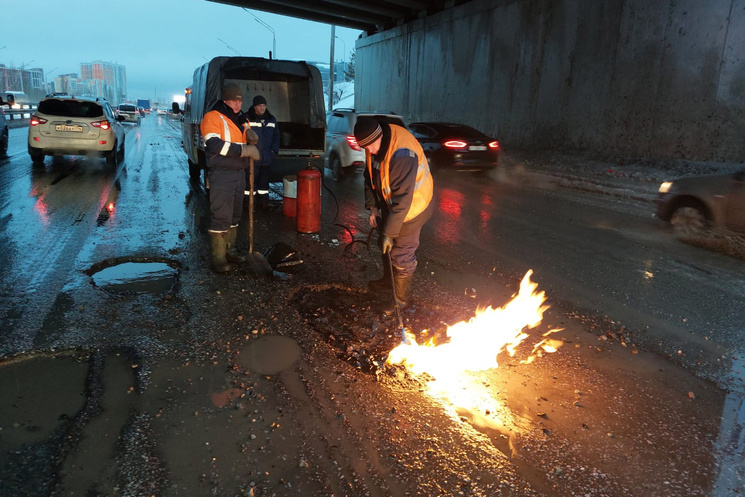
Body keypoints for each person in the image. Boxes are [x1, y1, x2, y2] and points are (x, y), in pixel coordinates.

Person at [354, 116, 434, 314]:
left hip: (412, 207)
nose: (370, 151)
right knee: (385, 241)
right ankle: (388, 282)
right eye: (366, 148)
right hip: (392, 204)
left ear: (379, 136)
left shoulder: (402, 154)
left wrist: (390, 233)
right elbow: (369, 177)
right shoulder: (374, 144)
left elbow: (403, 202)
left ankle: (401, 301)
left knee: (401, 253)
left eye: (372, 146)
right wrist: (373, 207)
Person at [201, 83, 259, 273]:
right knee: (221, 214)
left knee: (235, 214)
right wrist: (243, 150)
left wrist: (250, 137)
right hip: (222, 173)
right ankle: (218, 259)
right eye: (234, 99)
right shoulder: (212, 117)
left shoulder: (242, 120)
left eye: (240, 100)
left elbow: (243, 139)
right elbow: (214, 144)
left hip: (238, 173)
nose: (238, 103)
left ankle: (230, 250)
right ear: (225, 100)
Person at [244, 95, 279, 208]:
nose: (262, 108)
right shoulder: (247, 119)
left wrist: (274, 151)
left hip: (266, 159)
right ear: (254, 107)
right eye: (259, 106)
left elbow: (276, 136)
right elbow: (241, 136)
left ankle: (263, 206)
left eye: (264, 106)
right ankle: (248, 206)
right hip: (252, 160)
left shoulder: (271, 119)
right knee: (250, 185)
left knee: (264, 186)